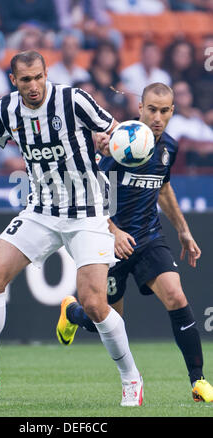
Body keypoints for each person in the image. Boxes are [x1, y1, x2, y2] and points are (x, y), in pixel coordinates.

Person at [0, 50, 143, 407]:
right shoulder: (7, 110)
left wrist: (108, 142)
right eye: (26, 80)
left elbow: (117, 135)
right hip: (41, 209)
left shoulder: (74, 99)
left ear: (46, 73)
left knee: (95, 303)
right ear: (14, 81)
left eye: (39, 77)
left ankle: (131, 378)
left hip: (87, 212)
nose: (34, 86)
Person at [56, 82, 213, 403]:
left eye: (164, 111)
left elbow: (163, 188)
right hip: (106, 241)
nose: (157, 117)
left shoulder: (169, 146)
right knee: (107, 319)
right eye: (151, 109)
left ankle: (198, 381)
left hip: (148, 238)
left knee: (175, 295)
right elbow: (89, 190)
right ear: (139, 108)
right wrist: (112, 230)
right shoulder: (119, 145)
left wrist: (183, 230)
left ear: (172, 111)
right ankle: (72, 313)